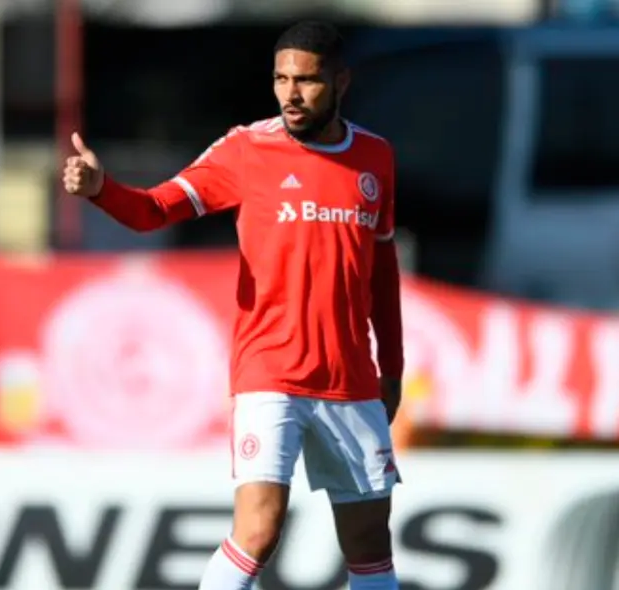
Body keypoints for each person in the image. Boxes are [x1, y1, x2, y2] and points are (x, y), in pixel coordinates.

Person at [63, 21, 404, 590]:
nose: (291, 94)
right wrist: (102, 188)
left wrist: (390, 365)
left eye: (308, 81)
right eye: (281, 79)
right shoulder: (247, 149)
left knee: (370, 538)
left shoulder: (375, 157)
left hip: (350, 380)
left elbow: (382, 274)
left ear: (342, 80)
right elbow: (154, 210)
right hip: (270, 372)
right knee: (261, 527)